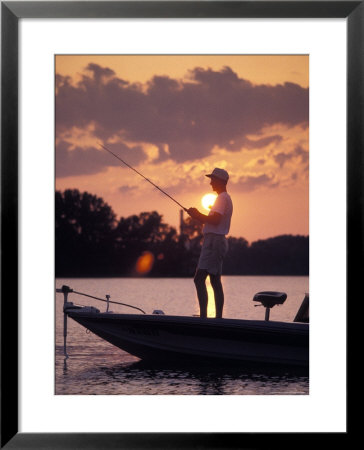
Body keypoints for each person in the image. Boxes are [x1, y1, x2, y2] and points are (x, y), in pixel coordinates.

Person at [187, 168, 233, 319]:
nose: (210, 182)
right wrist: (197, 216)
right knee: (215, 280)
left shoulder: (222, 198)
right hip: (217, 242)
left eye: (213, 179)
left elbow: (215, 220)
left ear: (220, 181)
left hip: (214, 242)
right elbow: (214, 221)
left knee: (199, 279)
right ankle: (217, 318)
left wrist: (198, 214)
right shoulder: (224, 198)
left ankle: (204, 318)